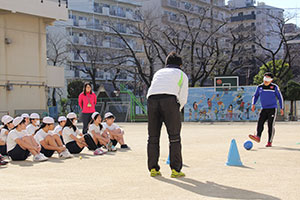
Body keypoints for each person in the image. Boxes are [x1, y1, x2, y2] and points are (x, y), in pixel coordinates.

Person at [146, 52, 188, 178]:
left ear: (166, 64)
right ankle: (175, 170)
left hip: (152, 99)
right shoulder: (182, 74)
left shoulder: (158, 72)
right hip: (169, 100)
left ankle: (153, 168)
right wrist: (177, 109)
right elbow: (183, 97)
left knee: (153, 137)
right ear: (180, 65)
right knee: (174, 137)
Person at [249, 72, 284, 147]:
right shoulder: (260, 87)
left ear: (271, 80)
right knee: (260, 122)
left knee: (270, 125)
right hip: (264, 108)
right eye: (265, 78)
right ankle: (258, 136)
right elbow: (255, 96)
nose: (266, 80)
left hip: (272, 108)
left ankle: (269, 141)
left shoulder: (274, 87)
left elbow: (280, 97)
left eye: (268, 79)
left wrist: (281, 107)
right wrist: (253, 104)